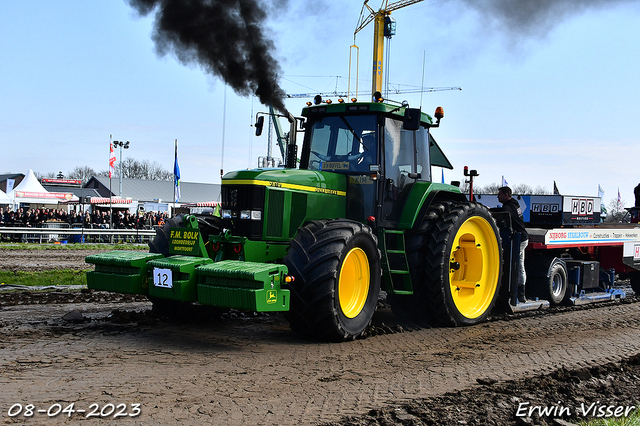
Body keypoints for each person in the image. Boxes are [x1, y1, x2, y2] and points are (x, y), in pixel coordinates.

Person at [492, 186, 529, 303]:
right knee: (519, 266)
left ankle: (516, 293)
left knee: (514, 264)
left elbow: (504, 213)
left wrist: (489, 210)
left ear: (506, 195)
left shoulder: (510, 206)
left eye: (500, 194)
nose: (498, 196)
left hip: (520, 239)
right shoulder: (513, 204)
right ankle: (520, 293)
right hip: (521, 237)